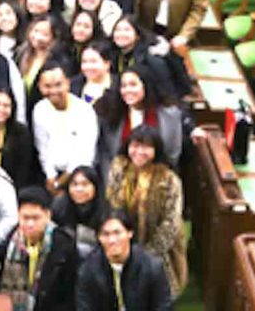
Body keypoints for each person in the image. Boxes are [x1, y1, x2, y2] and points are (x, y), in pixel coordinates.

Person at [104, 125, 187, 298]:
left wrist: (146, 255)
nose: (139, 151)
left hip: (159, 248)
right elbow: (111, 204)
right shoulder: (119, 169)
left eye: (146, 147)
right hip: (123, 240)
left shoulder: (169, 179)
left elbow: (170, 222)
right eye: (135, 145)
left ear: (156, 149)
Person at [97, 64, 184, 178]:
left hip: (157, 180)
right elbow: (106, 154)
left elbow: (172, 155)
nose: (128, 90)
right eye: (124, 86)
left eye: (133, 85)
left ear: (146, 86)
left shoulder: (169, 115)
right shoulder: (111, 113)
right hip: (118, 180)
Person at [0, 186, 79, 310]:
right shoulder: (8, 243)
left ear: (47, 216)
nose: (30, 224)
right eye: (25, 218)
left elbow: (69, 296)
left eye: (36, 218)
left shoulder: (64, 246)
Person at [75, 210, 172, 311]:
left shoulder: (152, 267)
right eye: (105, 234)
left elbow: (163, 306)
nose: (112, 240)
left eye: (117, 233)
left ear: (130, 233)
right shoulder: (88, 270)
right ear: (99, 238)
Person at [32, 64, 98, 191]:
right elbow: (42, 147)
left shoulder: (84, 110)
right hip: (52, 175)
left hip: (81, 175)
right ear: (39, 87)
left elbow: (85, 153)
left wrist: (61, 182)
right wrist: (50, 176)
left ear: (67, 83)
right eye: (47, 86)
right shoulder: (40, 109)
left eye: (58, 85)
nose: (53, 91)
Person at [51, 165, 106, 260]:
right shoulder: (59, 207)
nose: (79, 189)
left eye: (85, 184)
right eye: (75, 184)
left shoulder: (105, 210)